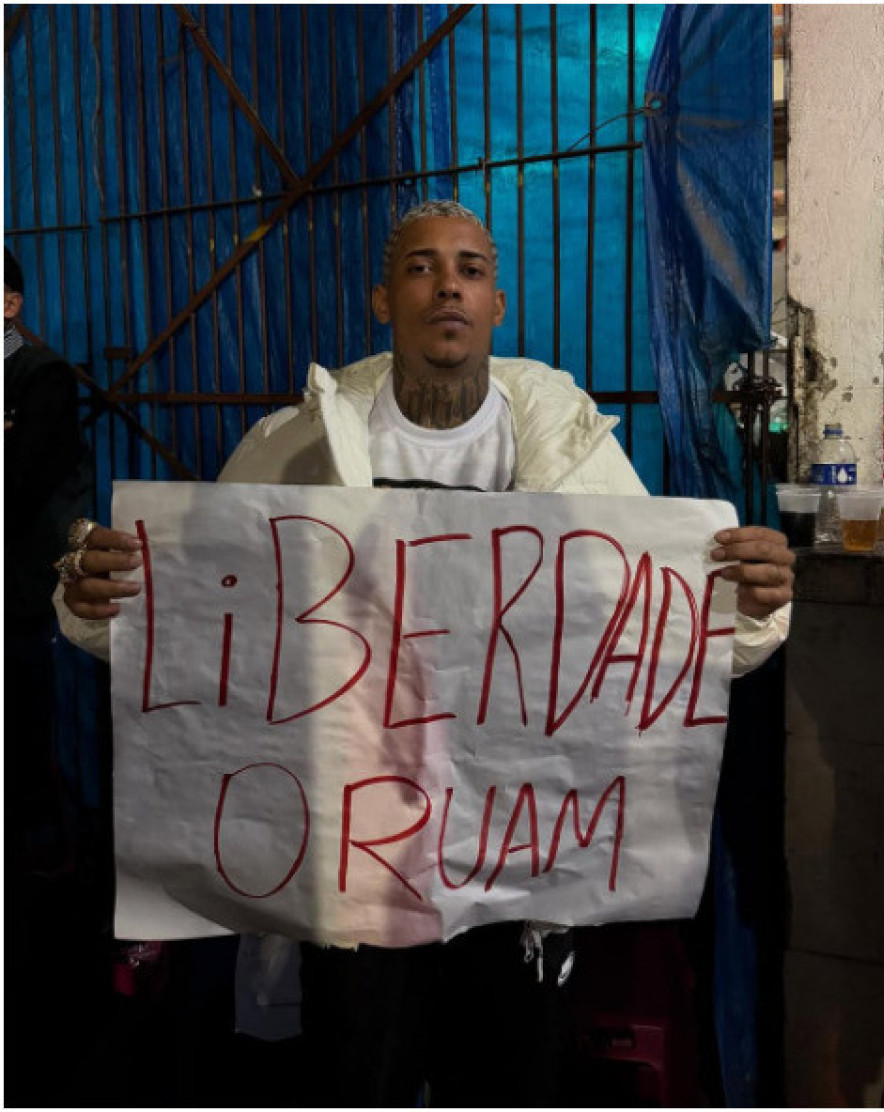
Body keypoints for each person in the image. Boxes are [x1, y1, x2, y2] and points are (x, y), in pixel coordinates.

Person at [53, 200, 796, 1105]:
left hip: (520, 858)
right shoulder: (295, 450)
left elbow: (654, 637)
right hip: (355, 855)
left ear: (498, 303)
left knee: (511, 1079)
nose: (448, 285)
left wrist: (746, 608)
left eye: (471, 269)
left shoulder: (573, 457)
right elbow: (202, 626)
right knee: (361, 1075)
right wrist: (97, 604)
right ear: (382, 300)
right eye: (421, 267)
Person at [5, 246, 91, 873]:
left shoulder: (43, 377)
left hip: (16, 594)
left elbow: (20, 486)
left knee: (21, 739)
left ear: (10, 305)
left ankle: (35, 868)